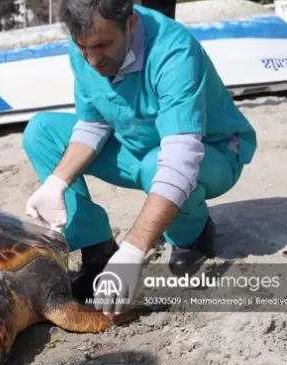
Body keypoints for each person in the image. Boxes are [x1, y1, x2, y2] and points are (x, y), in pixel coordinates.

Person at [22, 0, 258, 313]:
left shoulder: (174, 50)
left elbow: (180, 158)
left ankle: (193, 234)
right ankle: (97, 248)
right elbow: (93, 123)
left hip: (210, 152)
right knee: (41, 131)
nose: (92, 60)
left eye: (103, 45)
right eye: (83, 48)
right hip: (138, 144)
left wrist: (135, 249)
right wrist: (56, 181)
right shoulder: (85, 43)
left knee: (157, 164)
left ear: (131, 24)